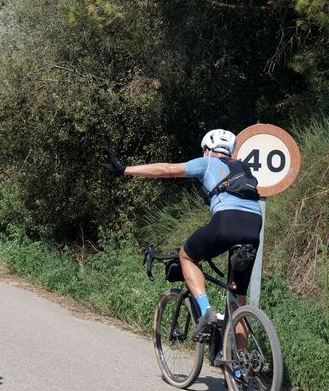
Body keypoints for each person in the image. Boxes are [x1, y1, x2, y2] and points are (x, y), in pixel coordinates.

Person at [104, 129, 262, 339]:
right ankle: (241, 368)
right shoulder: (244, 167)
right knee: (238, 302)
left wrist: (125, 169)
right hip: (254, 226)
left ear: (207, 149)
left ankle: (207, 312)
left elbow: (168, 169)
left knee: (187, 255)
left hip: (227, 221)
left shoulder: (208, 163)